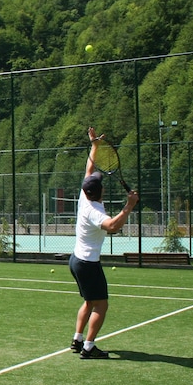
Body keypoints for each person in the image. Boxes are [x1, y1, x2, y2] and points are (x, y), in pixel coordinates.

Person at [69, 127, 139, 359]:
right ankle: (89, 347)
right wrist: (129, 206)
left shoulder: (85, 195)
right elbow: (112, 226)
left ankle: (77, 340)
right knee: (101, 305)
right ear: (101, 190)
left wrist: (95, 145)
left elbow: (89, 169)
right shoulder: (95, 212)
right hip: (88, 264)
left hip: (76, 260)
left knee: (90, 302)